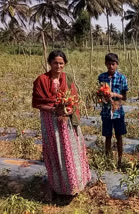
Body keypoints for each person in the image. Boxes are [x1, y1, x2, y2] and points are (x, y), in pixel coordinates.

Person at [32, 50, 91, 200]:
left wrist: (69, 109)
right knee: (55, 151)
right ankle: (58, 186)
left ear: (64, 64)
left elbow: (74, 98)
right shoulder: (41, 80)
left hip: (67, 122)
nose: (58, 66)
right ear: (50, 63)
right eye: (55, 63)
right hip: (50, 121)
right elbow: (38, 103)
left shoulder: (67, 78)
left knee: (71, 151)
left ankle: (75, 184)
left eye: (61, 63)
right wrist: (54, 110)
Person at [98, 53, 128, 168]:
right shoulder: (101, 77)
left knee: (119, 135)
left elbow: (124, 97)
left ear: (117, 65)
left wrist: (114, 94)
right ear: (106, 64)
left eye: (113, 64)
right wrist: (103, 97)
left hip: (118, 112)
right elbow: (98, 94)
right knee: (107, 136)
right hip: (106, 112)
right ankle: (108, 160)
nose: (111, 66)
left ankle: (120, 160)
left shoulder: (122, 78)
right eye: (109, 64)